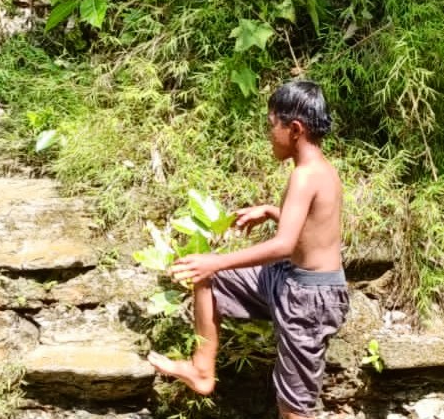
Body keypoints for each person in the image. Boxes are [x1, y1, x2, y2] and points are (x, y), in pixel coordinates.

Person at [147, 80, 349, 419]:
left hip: (311, 300)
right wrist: (271, 211)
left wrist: (217, 259)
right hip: (292, 280)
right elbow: (310, 229)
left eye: (272, 125)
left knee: (293, 410)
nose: (270, 134)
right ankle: (201, 370)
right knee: (213, 279)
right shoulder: (318, 169)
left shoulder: (305, 176)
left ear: (295, 129)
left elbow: (284, 244)